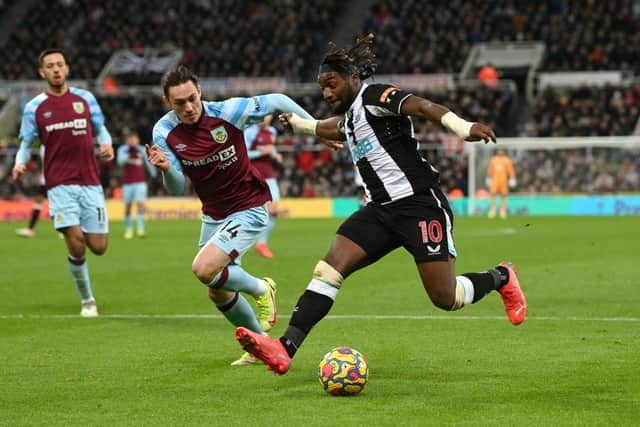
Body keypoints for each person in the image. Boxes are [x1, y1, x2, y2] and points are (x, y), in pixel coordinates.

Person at [235, 34, 527, 375]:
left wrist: (462, 127)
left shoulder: (374, 96)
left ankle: (502, 276)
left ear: (353, 78)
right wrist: (300, 125)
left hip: (419, 206)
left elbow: (422, 106)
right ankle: (284, 348)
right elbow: (332, 128)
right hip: (379, 211)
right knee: (328, 269)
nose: (326, 93)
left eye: (331, 85)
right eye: (322, 88)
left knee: (445, 297)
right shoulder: (349, 117)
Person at [146, 65, 315, 365]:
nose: (188, 107)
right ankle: (261, 348)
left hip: (249, 205)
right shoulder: (164, 132)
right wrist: (165, 170)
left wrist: (314, 126)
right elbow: (174, 185)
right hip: (214, 214)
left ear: (200, 93)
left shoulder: (228, 112)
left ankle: (263, 288)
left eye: (192, 98)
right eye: (179, 103)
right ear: (167, 103)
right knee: (217, 292)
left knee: (203, 270)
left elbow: (276, 99)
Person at [12, 48, 114, 317]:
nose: (56, 69)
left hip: (90, 182)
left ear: (67, 68)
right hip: (59, 184)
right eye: (50, 66)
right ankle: (88, 300)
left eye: (59, 64)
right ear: (42, 72)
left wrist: (106, 144)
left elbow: (101, 128)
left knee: (99, 247)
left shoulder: (85, 98)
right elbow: (26, 143)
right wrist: (20, 162)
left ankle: (74, 233)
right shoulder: (35, 107)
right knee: (77, 243)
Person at [243, 114, 284, 258]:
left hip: (269, 175)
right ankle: (239, 244)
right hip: (253, 176)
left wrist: (275, 155)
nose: (262, 120)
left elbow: (270, 148)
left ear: (270, 118)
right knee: (247, 212)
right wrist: (260, 152)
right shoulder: (250, 132)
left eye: (266, 117)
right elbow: (244, 155)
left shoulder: (272, 132)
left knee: (274, 210)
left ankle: (261, 244)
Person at [116, 130, 157, 238]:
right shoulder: (123, 150)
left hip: (140, 182)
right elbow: (120, 162)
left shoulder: (142, 150)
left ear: (137, 140)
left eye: (134, 139)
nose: (132, 141)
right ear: (127, 140)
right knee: (128, 206)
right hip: (127, 183)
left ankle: (140, 229)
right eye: (130, 139)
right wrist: (129, 153)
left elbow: (149, 162)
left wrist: (154, 174)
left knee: (140, 205)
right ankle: (129, 229)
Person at [15, 145, 46, 238]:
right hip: (46, 179)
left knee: (59, 204)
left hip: (57, 178)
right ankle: (30, 229)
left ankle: (69, 230)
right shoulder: (43, 147)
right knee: (38, 201)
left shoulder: (56, 143)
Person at [486, 148, 516, 219]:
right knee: (492, 194)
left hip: (503, 180)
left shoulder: (507, 160)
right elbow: (490, 169)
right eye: (499, 150)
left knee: (504, 195)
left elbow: (510, 169)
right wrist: (488, 177)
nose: (500, 152)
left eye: (501, 150)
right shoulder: (493, 159)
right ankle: (493, 210)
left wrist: (512, 178)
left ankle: (503, 210)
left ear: (504, 151)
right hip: (494, 180)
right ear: (496, 151)